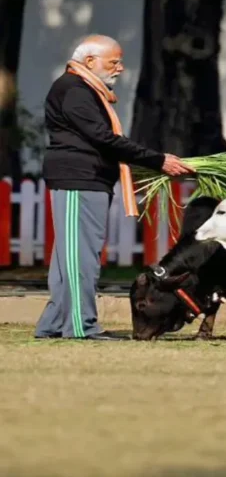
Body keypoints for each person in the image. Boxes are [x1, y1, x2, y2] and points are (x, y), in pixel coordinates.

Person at [34, 34, 195, 341]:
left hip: (88, 179)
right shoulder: (75, 90)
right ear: (89, 61)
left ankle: (53, 325)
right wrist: (158, 160)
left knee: (70, 259)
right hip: (77, 179)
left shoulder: (85, 90)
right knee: (80, 259)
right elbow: (102, 138)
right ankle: (82, 327)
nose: (120, 68)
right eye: (114, 61)